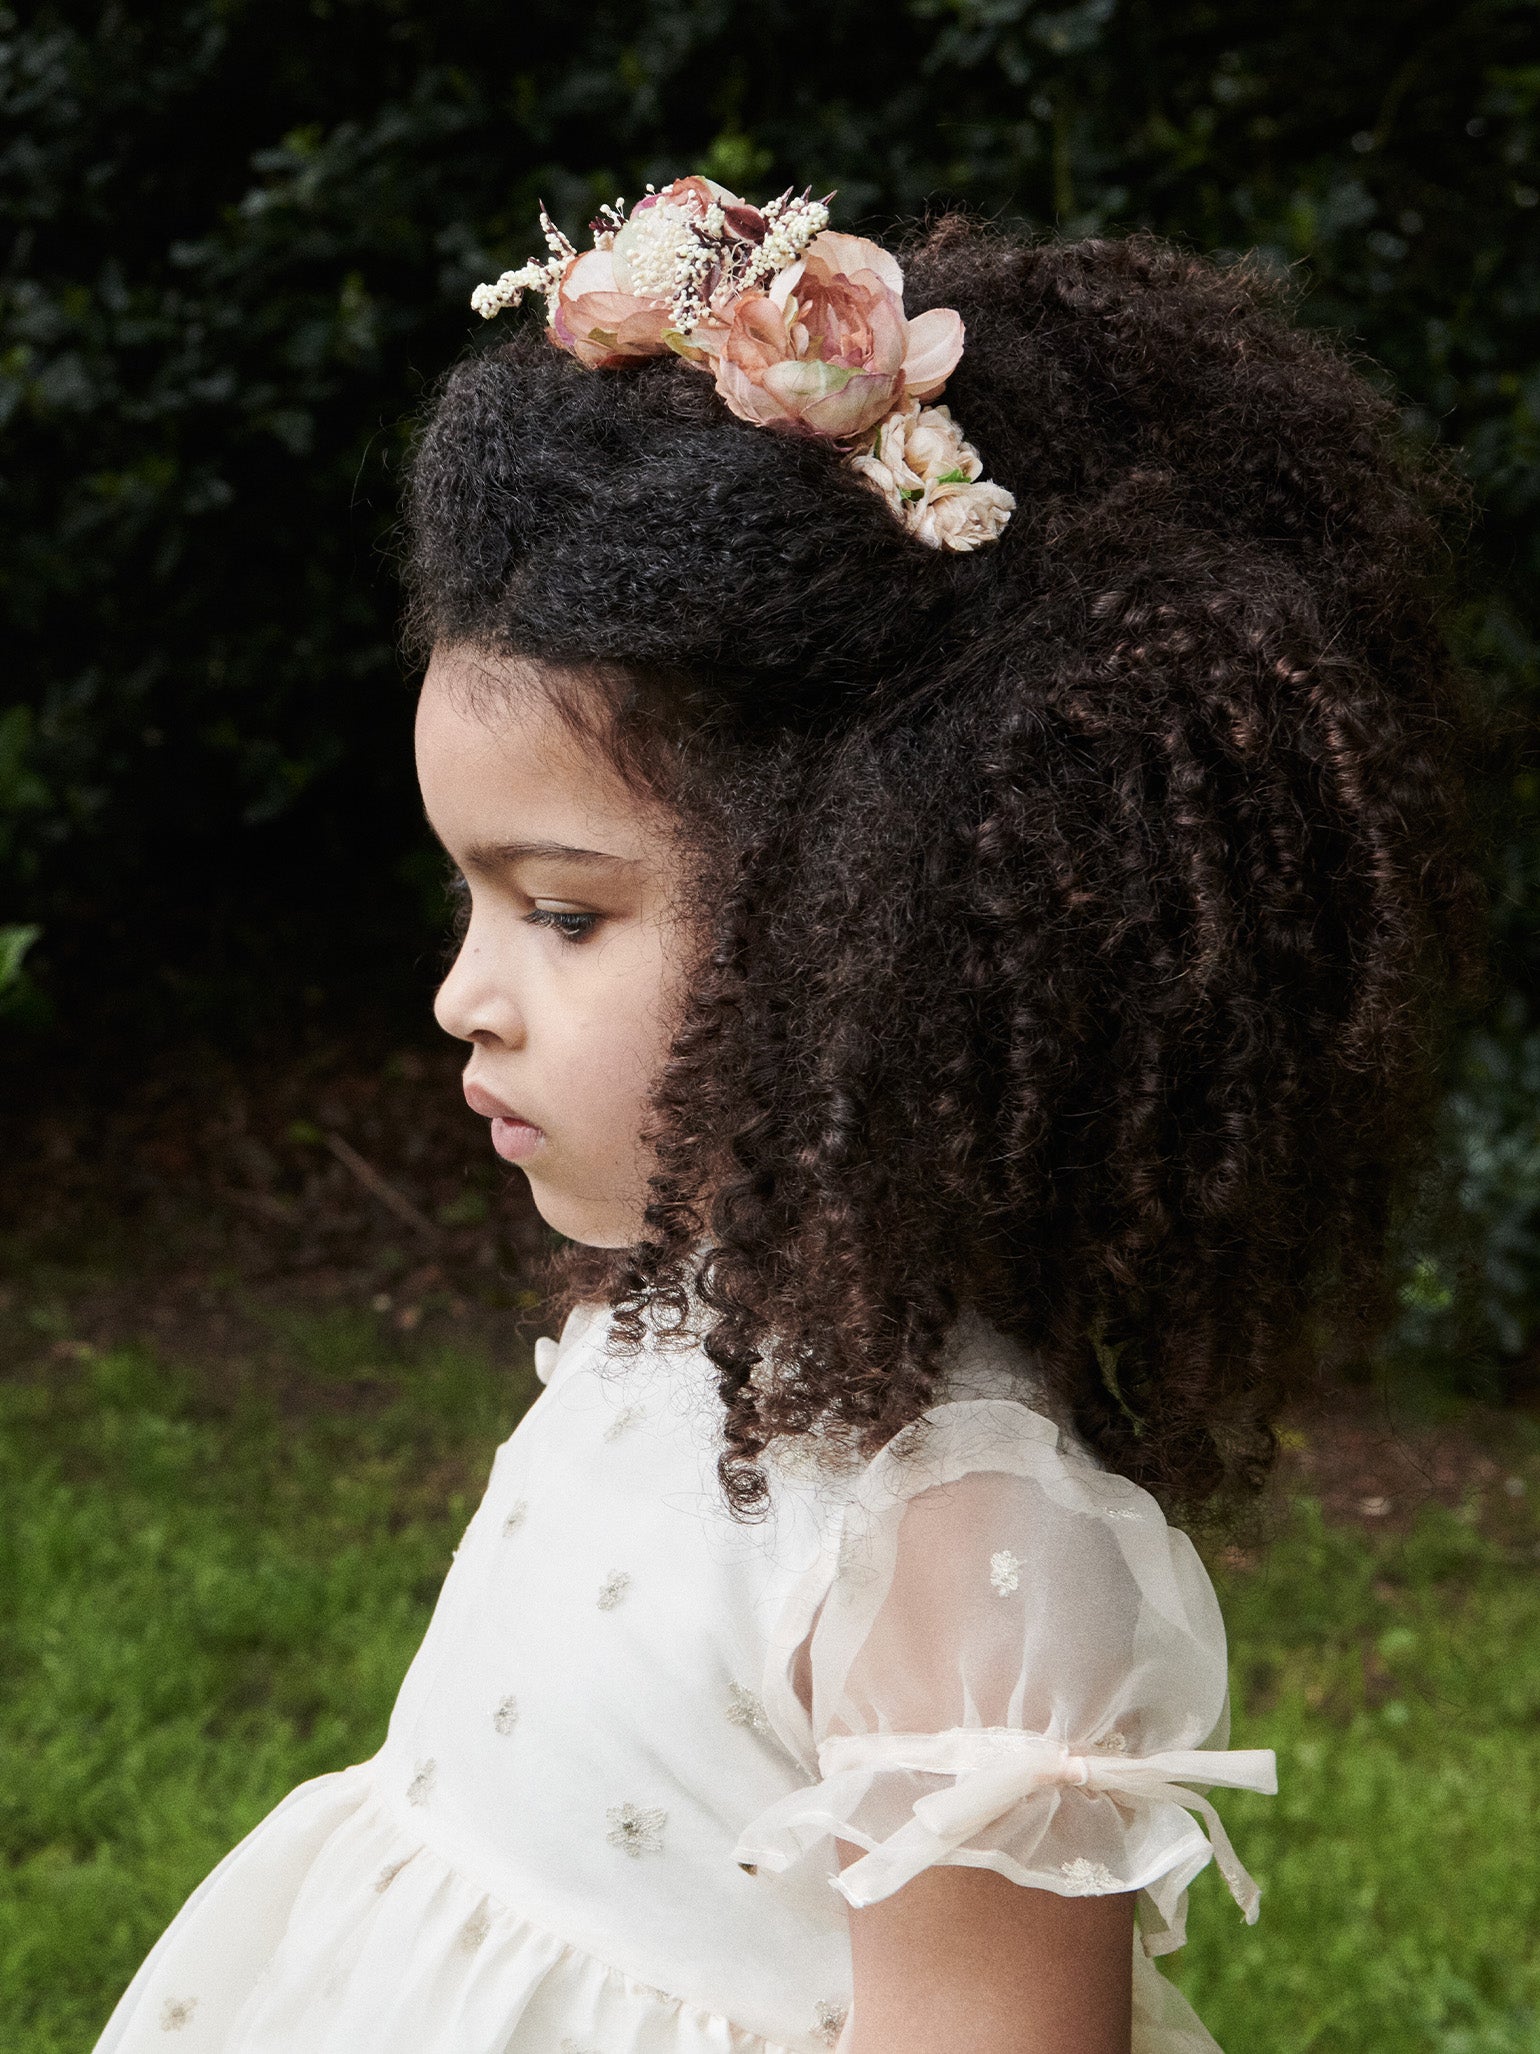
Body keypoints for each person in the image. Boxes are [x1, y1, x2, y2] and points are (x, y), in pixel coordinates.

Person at [94, 183, 1484, 2054]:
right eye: (470, 898)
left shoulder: (954, 1539)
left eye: (563, 911)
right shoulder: (690, 1316)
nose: (462, 992)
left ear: (868, 931)